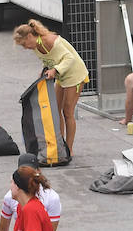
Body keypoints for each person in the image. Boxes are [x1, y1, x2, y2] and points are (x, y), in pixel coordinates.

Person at [13, 20, 88, 154]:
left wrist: (55, 70)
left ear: (29, 37)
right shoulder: (36, 47)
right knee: (55, 110)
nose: (25, 48)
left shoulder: (50, 41)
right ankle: (59, 145)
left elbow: (69, 58)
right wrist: (44, 71)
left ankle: (69, 150)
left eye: (24, 44)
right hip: (61, 75)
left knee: (67, 112)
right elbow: (49, 60)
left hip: (74, 75)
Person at [0, 153, 62, 231]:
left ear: (38, 171)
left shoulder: (52, 198)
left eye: (30, 171)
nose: (27, 176)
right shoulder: (10, 197)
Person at [4, 164, 58, 231]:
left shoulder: (30, 210)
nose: (10, 186)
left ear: (17, 186)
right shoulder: (22, 207)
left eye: (11, 182)